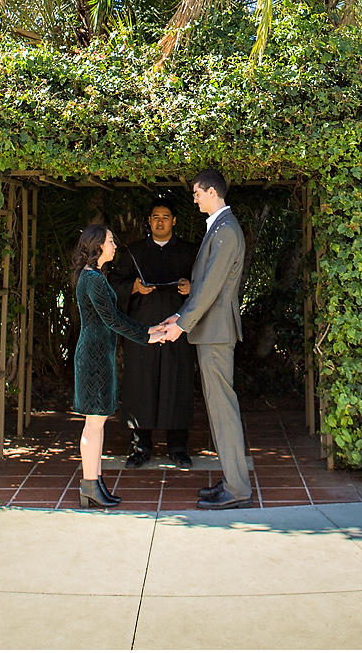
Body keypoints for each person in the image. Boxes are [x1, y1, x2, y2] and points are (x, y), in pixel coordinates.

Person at [155, 170, 252, 510]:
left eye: (197, 192)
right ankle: (231, 482)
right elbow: (203, 287)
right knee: (219, 409)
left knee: (223, 410)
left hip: (215, 333)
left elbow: (210, 288)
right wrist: (179, 316)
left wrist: (182, 324)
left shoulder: (226, 231)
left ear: (212, 192)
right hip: (210, 332)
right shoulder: (220, 228)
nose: (194, 198)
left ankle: (238, 488)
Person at [71, 223, 165, 509]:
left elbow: (114, 318)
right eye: (111, 241)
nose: (115, 246)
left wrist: (149, 330)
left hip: (99, 354)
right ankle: (90, 484)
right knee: (94, 423)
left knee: (97, 423)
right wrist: (147, 337)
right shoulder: (93, 280)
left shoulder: (96, 277)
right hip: (94, 356)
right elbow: (112, 320)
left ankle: (95, 482)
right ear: (98, 246)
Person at [108, 200, 200, 468]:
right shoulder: (134, 252)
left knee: (178, 383)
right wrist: (135, 287)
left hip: (178, 329)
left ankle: (178, 446)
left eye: (166, 217)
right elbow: (115, 284)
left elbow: (206, 284)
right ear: (148, 221)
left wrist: (191, 288)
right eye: (155, 217)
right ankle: (140, 446)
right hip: (142, 328)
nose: (160, 222)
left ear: (174, 221)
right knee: (141, 385)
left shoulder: (188, 252)